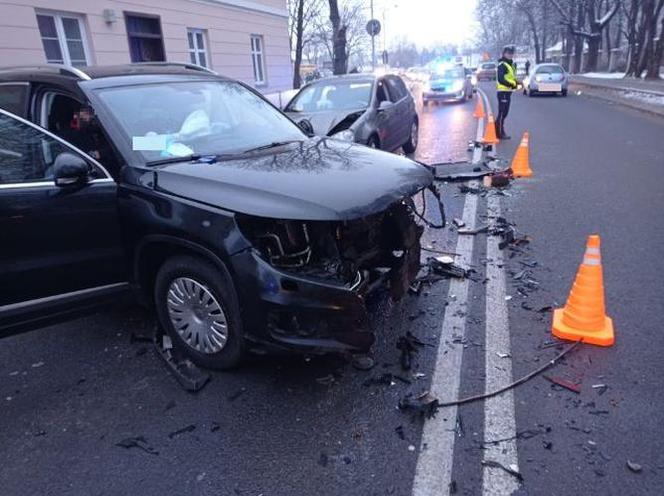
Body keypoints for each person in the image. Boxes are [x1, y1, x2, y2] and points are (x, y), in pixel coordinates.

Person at [495, 45, 518, 140]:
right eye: (508, 53)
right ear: (504, 54)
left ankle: (498, 131)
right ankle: (499, 133)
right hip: (503, 91)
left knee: (505, 113)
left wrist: (516, 83)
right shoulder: (502, 65)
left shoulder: (511, 65)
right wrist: (512, 84)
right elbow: (501, 79)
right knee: (502, 113)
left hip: (508, 92)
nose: (510, 55)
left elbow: (511, 77)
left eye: (511, 53)